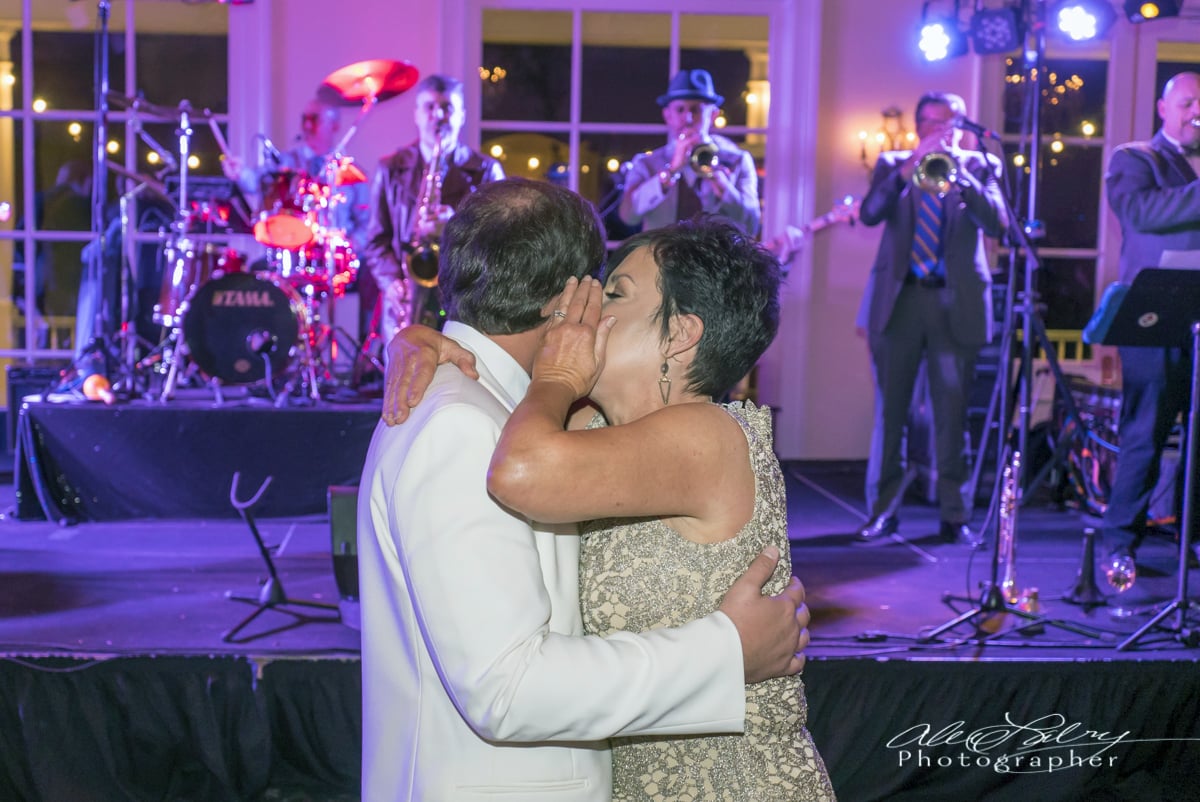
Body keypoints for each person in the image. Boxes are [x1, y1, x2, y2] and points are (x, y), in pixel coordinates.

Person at [357, 178, 810, 801]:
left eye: (614, 293)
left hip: (722, 777)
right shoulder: (569, 427)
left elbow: (523, 465)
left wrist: (552, 372)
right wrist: (426, 336)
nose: (593, 311)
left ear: (680, 333)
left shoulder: (704, 435)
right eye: (594, 291)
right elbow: (515, 443)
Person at [856, 91, 1007, 545]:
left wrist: (962, 177)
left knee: (952, 414)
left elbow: (998, 224)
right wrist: (907, 169)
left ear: (961, 128)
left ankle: (954, 514)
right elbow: (869, 214)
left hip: (954, 304)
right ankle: (882, 512)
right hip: (899, 303)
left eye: (950, 124)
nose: (941, 133)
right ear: (918, 127)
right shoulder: (892, 163)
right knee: (891, 414)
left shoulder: (981, 166)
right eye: (933, 124)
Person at [1102, 71, 1200, 573]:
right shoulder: (1136, 157)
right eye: (1187, 103)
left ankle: (1193, 539)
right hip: (1153, 315)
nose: (1196, 113)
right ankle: (1120, 544)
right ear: (1164, 109)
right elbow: (1141, 212)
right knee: (1145, 433)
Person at [363, 74, 504, 340]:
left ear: (462, 116)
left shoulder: (487, 171)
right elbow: (376, 240)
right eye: (429, 107)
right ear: (416, 115)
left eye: (447, 107)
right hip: (407, 304)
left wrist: (456, 225)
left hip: (464, 307)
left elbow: (500, 244)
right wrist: (391, 282)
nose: (438, 116)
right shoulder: (389, 168)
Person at [618, 69, 760, 237]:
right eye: (680, 110)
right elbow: (628, 216)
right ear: (667, 115)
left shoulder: (738, 160)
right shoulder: (646, 164)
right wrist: (670, 171)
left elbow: (752, 225)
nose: (688, 119)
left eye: (696, 110)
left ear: (713, 115)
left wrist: (723, 187)